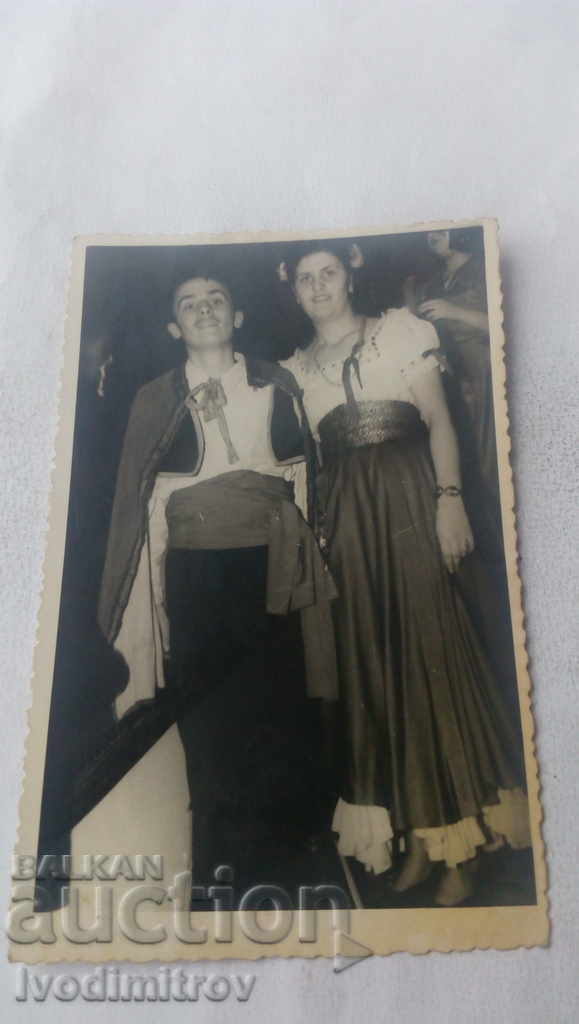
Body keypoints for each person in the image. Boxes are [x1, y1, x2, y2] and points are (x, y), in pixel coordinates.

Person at [278, 241, 531, 906]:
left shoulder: (400, 333)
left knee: (431, 661)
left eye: (328, 272)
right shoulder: (294, 372)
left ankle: (464, 847)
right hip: (348, 525)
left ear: (349, 275)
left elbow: (439, 421)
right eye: (305, 278)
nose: (318, 286)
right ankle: (421, 837)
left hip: (411, 502)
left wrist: (449, 502)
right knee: (374, 671)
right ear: (292, 290)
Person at [97, 265, 337, 892]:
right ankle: (219, 886)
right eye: (189, 303)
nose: (204, 309)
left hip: (272, 563)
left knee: (281, 718)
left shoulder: (277, 384)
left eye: (216, 300)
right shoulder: (154, 398)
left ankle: (283, 878)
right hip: (197, 573)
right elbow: (141, 512)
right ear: (175, 326)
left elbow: (308, 485)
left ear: (238, 318)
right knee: (210, 730)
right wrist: (148, 600)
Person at [413, 229, 499, 507]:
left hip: (486, 375)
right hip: (454, 380)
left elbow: (512, 324)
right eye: (430, 230)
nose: (433, 234)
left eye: (443, 229)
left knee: (491, 460)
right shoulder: (430, 283)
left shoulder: (485, 266)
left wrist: (456, 312)